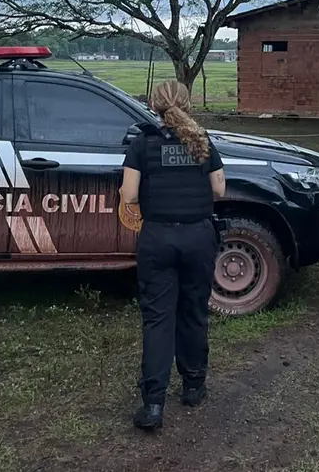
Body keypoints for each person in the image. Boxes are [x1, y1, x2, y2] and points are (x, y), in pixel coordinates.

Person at [119, 79, 226, 431]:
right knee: (193, 312)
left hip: (158, 239)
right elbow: (219, 188)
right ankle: (194, 387)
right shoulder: (202, 140)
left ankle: (153, 404)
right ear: (187, 104)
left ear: (154, 106)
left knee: (157, 319)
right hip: (198, 237)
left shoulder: (142, 143)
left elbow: (129, 195)